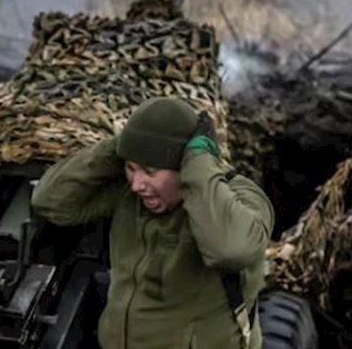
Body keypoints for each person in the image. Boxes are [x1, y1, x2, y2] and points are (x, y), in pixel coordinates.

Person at [31, 96, 274, 349]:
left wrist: (199, 163)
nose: (137, 184)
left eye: (150, 171)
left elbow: (231, 250)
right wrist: (123, 146)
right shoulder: (130, 194)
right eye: (130, 168)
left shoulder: (242, 197)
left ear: (185, 164)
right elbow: (50, 202)